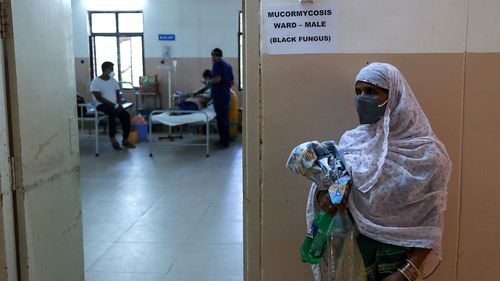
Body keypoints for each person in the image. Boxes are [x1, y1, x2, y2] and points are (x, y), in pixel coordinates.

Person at [308, 63, 452, 281]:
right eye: (358, 92)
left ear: (394, 96)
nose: (362, 98)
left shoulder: (427, 154)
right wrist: (324, 197)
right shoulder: (351, 141)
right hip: (352, 258)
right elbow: (326, 185)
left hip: (398, 265)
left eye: (371, 91)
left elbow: (431, 223)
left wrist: (406, 273)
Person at [90, 61, 135, 150]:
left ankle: (125, 139)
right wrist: (113, 105)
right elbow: (98, 97)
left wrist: (119, 104)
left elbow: (118, 94)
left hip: (114, 104)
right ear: (105, 70)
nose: (112, 71)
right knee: (112, 113)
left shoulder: (113, 81)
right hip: (101, 104)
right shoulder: (96, 81)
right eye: (111, 69)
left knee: (126, 115)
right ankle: (112, 138)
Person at [207, 48, 234, 148]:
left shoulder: (217, 64)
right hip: (226, 95)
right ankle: (225, 141)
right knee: (225, 119)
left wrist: (208, 82)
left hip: (219, 97)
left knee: (220, 119)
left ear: (213, 56)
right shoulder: (228, 65)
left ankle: (223, 142)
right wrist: (225, 88)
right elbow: (232, 82)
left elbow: (217, 79)